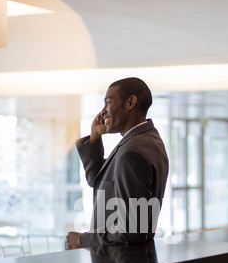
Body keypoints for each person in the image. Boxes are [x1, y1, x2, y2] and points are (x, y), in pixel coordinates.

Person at [66, 77, 169, 249]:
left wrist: (83, 240)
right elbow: (98, 181)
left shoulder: (132, 152)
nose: (103, 112)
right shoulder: (147, 140)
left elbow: (133, 230)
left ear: (130, 102)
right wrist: (94, 137)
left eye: (108, 103)